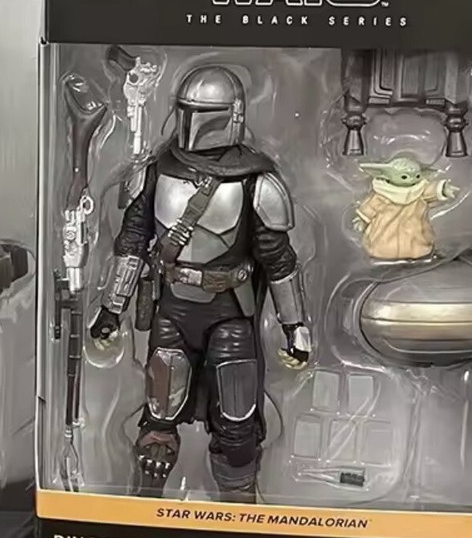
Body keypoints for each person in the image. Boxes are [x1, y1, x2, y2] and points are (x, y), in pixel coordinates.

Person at [90, 66, 310, 499]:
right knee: (159, 418)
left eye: (204, 114)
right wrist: (111, 309)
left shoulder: (256, 182)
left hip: (229, 314)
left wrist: (295, 326)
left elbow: (279, 261)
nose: (194, 123)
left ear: (232, 115)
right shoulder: (154, 173)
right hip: (172, 311)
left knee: (237, 425)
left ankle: (238, 515)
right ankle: (142, 516)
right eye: (187, 111)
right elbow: (132, 244)